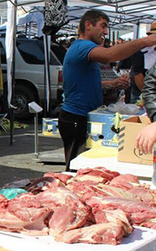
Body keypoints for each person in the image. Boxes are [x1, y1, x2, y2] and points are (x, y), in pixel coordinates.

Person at [59, 9, 156, 171]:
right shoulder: (82, 46)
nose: (106, 31)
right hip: (75, 118)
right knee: (77, 169)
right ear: (88, 25)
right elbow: (110, 55)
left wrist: (114, 83)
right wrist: (146, 41)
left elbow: (86, 83)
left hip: (83, 116)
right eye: (103, 26)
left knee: (86, 169)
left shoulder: (83, 49)